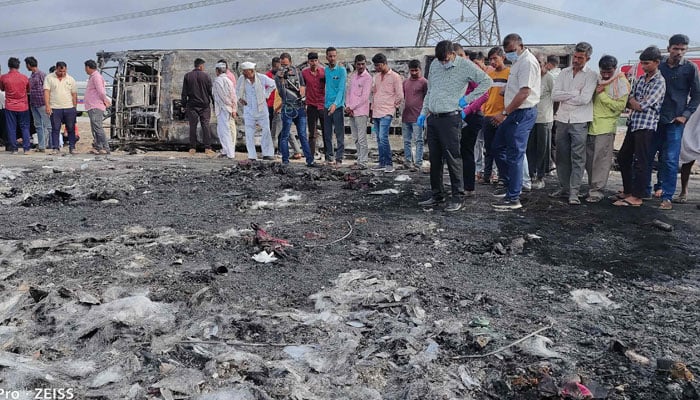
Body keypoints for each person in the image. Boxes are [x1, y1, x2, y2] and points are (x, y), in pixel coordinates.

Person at [417, 40, 491, 212]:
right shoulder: (435, 64)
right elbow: (431, 90)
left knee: (453, 157)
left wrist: (468, 99)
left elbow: (486, 81)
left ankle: (458, 196)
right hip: (433, 117)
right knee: (434, 158)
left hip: (451, 118)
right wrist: (423, 112)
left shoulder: (465, 66)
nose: (443, 63)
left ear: (452, 54)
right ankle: (437, 194)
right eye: (440, 60)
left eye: (445, 59)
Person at [489, 33, 541, 210]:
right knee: (497, 147)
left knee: (515, 154)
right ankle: (510, 184)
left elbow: (525, 92)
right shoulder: (518, 62)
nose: (510, 54)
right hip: (513, 112)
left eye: (512, 50)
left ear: (520, 45)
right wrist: (507, 89)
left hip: (521, 112)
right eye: (507, 51)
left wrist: (504, 112)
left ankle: (514, 198)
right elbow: (518, 86)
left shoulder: (527, 62)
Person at [648, 34, 700, 210]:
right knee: (648, 155)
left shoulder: (690, 68)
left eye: (682, 49)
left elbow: (697, 95)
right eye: (676, 48)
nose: (679, 52)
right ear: (669, 48)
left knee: (671, 159)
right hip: (654, 118)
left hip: (675, 120)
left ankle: (667, 196)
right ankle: (649, 189)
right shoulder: (659, 65)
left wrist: (685, 114)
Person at [613, 46, 666, 207]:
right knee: (623, 156)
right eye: (642, 63)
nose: (643, 66)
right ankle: (628, 190)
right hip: (634, 122)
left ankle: (637, 196)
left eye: (647, 63)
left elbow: (644, 104)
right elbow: (630, 98)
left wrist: (635, 102)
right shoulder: (642, 79)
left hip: (646, 125)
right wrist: (635, 102)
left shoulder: (659, 82)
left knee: (641, 161)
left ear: (656, 63)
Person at [550, 42, 598, 205]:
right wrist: (573, 94)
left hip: (579, 121)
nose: (576, 60)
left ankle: (574, 191)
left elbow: (585, 99)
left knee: (578, 157)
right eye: (575, 57)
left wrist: (567, 96)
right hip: (563, 119)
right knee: (562, 155)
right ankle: (564, 187)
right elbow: (555, 96)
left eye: (580, 58)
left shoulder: (591, 75)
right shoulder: (564, 72)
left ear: (588, 58)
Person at [585, 55, 630, 202]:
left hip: (606, 126)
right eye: (603, 71)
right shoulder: (598, 80)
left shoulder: (621, 83)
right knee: (590, 161)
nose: (605, 75)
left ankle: (597, 191)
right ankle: (592, 188)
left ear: (615, 69)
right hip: (591, 124)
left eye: (608, 72)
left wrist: (602, 95)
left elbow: (620, 106)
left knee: (601, 161)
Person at [458, 47, 490, 195]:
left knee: (467, 150)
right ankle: (462, 184)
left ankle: (468, 187)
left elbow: (484, 94)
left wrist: (467, 109)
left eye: (460, 55)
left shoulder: (473, 72)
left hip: (473, 114)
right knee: (460, 150)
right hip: (460, 113)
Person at [275, 52, 315, 167]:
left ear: (291, 63)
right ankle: (285, 160)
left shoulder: (297, 72)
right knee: (285, 135)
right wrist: (282, 80)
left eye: (286, 65)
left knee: (302, 134)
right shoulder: (278, 75)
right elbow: (282, 94)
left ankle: (309, 160)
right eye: (282, 65)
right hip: (287, 107)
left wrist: (302, 95)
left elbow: (303, 86)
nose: (285, 68)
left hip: (299, 106)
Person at [480, 46, 509, 185]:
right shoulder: (489, 75)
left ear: (503, 57)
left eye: (495, 58)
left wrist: (504, 113)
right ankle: (487, 175)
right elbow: (485, 94)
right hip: (488, 115)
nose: (492, 62)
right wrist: (484, 110)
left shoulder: (510, 74)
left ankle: (503, 177)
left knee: (501, 148)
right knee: (488, 148)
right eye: (490, 59)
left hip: (502, 116)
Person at [236, 61, 276, 161]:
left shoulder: (261, 78)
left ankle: (267, 153)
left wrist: (266, 94)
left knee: (266, 131)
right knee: (249, 133)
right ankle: (252, 155)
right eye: (243, 72)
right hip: (249, 109)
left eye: (246, 72)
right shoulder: (242, 79)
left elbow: (273, 85)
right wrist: (240, 98)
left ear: (251, 71)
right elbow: (237, 90)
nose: (244, 74)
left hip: (262, 109)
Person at [526, 51, 555, 189]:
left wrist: (552, 114)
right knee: (530, 148)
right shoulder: (531, 77)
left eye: (540, 63)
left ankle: (540, 176)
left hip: (544, 118)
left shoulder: (549, 78)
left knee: (543, 149)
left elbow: (555, 98)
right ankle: (531, 174)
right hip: (531, 118)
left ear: (545, 64)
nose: (537, 65)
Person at [370, 53, 403, 173]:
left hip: (387, 111)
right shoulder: (377, 77)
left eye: (378, 65)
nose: (376, 68)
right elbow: (374, 93)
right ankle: (382, 163)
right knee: (378, 139)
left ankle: (389, 164)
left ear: (384, 63)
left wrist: (392, 106)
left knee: (383, 137)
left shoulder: (395, 77)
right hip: (376, 111)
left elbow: (399, 95)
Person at [267, 56, 301, 159]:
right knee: (288, 132)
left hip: (280, 109)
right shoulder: (282, 81)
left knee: (274, 134)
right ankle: (297, 151)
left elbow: (284, 97)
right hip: (284, 109)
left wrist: (278, 109)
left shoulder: (282, 82)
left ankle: (270, 153)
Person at [181, 58, 214, 156]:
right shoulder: (206, 76)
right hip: (204, 106)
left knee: (193, 126)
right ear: (201, 66)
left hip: (192, 105)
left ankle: (192, 148)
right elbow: (211, 92)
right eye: (203, 66)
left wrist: (183, 105)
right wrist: (215, 104)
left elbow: (184, 93)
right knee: (205, 126)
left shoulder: (187, 76)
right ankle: (207, 148)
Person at [44, 61, 78, 154]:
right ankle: (55, 147)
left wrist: (74, 108)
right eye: (60, 71)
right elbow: (46, 92)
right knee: (55, 128)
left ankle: (72, 147)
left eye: (64, 71)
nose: (62, 73)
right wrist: (47, 106)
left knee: (71, 128)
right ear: (56, 69)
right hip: (55, 107)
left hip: (69, 107)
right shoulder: (49, 78)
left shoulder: (70, 79)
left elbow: (74, 94)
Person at [345, 54, 372, 170]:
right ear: (355, 64)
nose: (361, 66)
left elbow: (364, 97)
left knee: (362, 138)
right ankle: (359, 159)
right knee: (355, 137)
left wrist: (352, 107)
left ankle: (364, 162)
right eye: (358, 64)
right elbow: (348, 93)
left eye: (363, 64)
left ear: (365, 64)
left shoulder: (368, 78)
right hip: (351, 111)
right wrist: (348, 106)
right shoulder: (353, 76)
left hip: (361, 111)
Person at [0, 57, 30, 154]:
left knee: (11, 128)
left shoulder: (4, 77)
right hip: (23, 106)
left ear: (9, 66)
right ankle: (26, 149)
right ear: (19, 66)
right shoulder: (24, 77)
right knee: (25, 127)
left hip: (10, 106)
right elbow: (28, 90)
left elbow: (2, 88)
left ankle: (14, 149)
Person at [402, 59, 428, 171]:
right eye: (411, 70)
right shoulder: (405, 82)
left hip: (418, 116)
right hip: (406, 116)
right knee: (407, 140)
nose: (413, 73)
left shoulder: (424, 82)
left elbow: (427, 98)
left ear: (420, 70)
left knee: (419, 140)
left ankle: (418, 163)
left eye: (416, 70)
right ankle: (407, 161)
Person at [323, 47, 347, 166]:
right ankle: (329, 157)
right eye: (330, 56)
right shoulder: (325, 71)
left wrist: (335, 104)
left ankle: (339, 158)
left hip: (337, 106)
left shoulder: (342, 70)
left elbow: (341, 89)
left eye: (334, 56)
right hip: (326, 105)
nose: (332, 58)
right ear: (326, 57)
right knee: (327, 133)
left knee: (339, 133)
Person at [83, 59, 112, 154]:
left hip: (96, 106)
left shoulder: (96, 77)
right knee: (94, 128)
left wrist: (105, 100)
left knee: (98, 127)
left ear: (88, 67)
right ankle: (98, 147)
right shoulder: (93, 77)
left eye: (85, 68)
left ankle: (105, 147)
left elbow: (101, 91)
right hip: (91, 106)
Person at [302, 52, 325, 159]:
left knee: (326, 131)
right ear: (308, 62)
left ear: (318, 61)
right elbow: (302, 87)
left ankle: (328, 156)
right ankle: (310, 156)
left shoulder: (323, 72)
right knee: (312, 132)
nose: (314, 63)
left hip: (323, 104)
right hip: (311, 105)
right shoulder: (304, 73)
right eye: (311, 61)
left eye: (315, 60)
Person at [25, 57, 50, 152]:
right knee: (38, 125)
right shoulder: (32, 76)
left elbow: (47, 88)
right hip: (34, 104)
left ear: (28, 65)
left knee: (46, 125)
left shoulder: (41, 74)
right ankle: (41, 145)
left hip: (42, 103)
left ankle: (47, 144)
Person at [213, 62, 236, 159]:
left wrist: (229, 104)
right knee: (222, 130)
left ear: (217, 71)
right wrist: (233, 107)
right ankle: (226, 150)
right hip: (227, 108)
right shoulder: (228, 80)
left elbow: (223, 96)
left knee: (224, 131)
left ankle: (230, 153)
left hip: (223, 108)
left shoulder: (218, 81)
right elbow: (234, 95)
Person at [217, 59, 239, 146]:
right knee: (225, 127)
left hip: (229, 106)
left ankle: (232, 145)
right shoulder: (222, 77)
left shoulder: (229, 76)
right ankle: (227, 146)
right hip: (223, 106)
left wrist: (233, 109)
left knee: (230, 126)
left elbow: (233, 94)